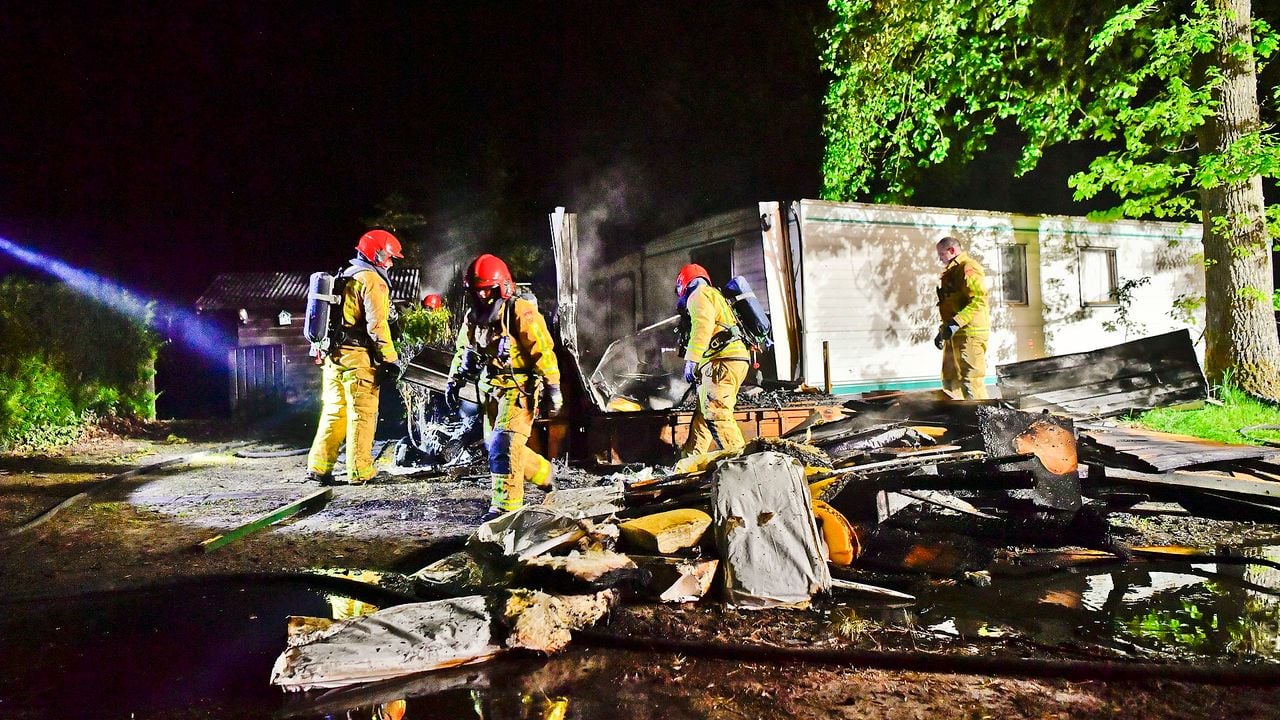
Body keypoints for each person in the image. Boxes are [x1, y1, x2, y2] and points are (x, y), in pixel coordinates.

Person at [445, 254, 563, 522]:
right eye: (477, 290)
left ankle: (506, 508)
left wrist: (553, 385)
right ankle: (543, 473)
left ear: (502, 287)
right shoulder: (473, 317)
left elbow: (542, 350)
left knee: (504, 443)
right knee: (495, 444)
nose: (483, 294)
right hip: (491, 389)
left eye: (488, 288)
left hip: (519, 388)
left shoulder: (519, 310)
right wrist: (454, 380)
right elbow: (463, 349)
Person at [305, 229, 404, 484]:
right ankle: (360, 471)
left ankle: (318, 466)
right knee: (362, 414)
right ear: (377, 254)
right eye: (389, 258)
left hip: (333, 356)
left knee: (334, 412)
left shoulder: (345, 275)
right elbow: (377, 325)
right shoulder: (372, 280)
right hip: (358, 359)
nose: (391, 263)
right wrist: (390, 358)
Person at [675, 263, 750, 458]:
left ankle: (742, 463)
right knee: (704, 414)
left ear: (683, 284)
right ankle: (690, 461)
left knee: (716, 413)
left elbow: (702, 326)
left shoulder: (698, 295)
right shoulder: (715, 295)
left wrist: (692, 359)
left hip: (721, 361)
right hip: (734, 358)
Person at [933, 236, 990, 399]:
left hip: (969, 334)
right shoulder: (951, 272)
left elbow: (979, 299)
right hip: (955, 334)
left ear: (951, 250)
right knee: (951, 381)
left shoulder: (968, 267)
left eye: (941, 254)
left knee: (971, 381)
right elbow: (951, 305)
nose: (940, 259)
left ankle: (983, 419)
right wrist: (943, 329)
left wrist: (955, 323)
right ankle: (960, 419)